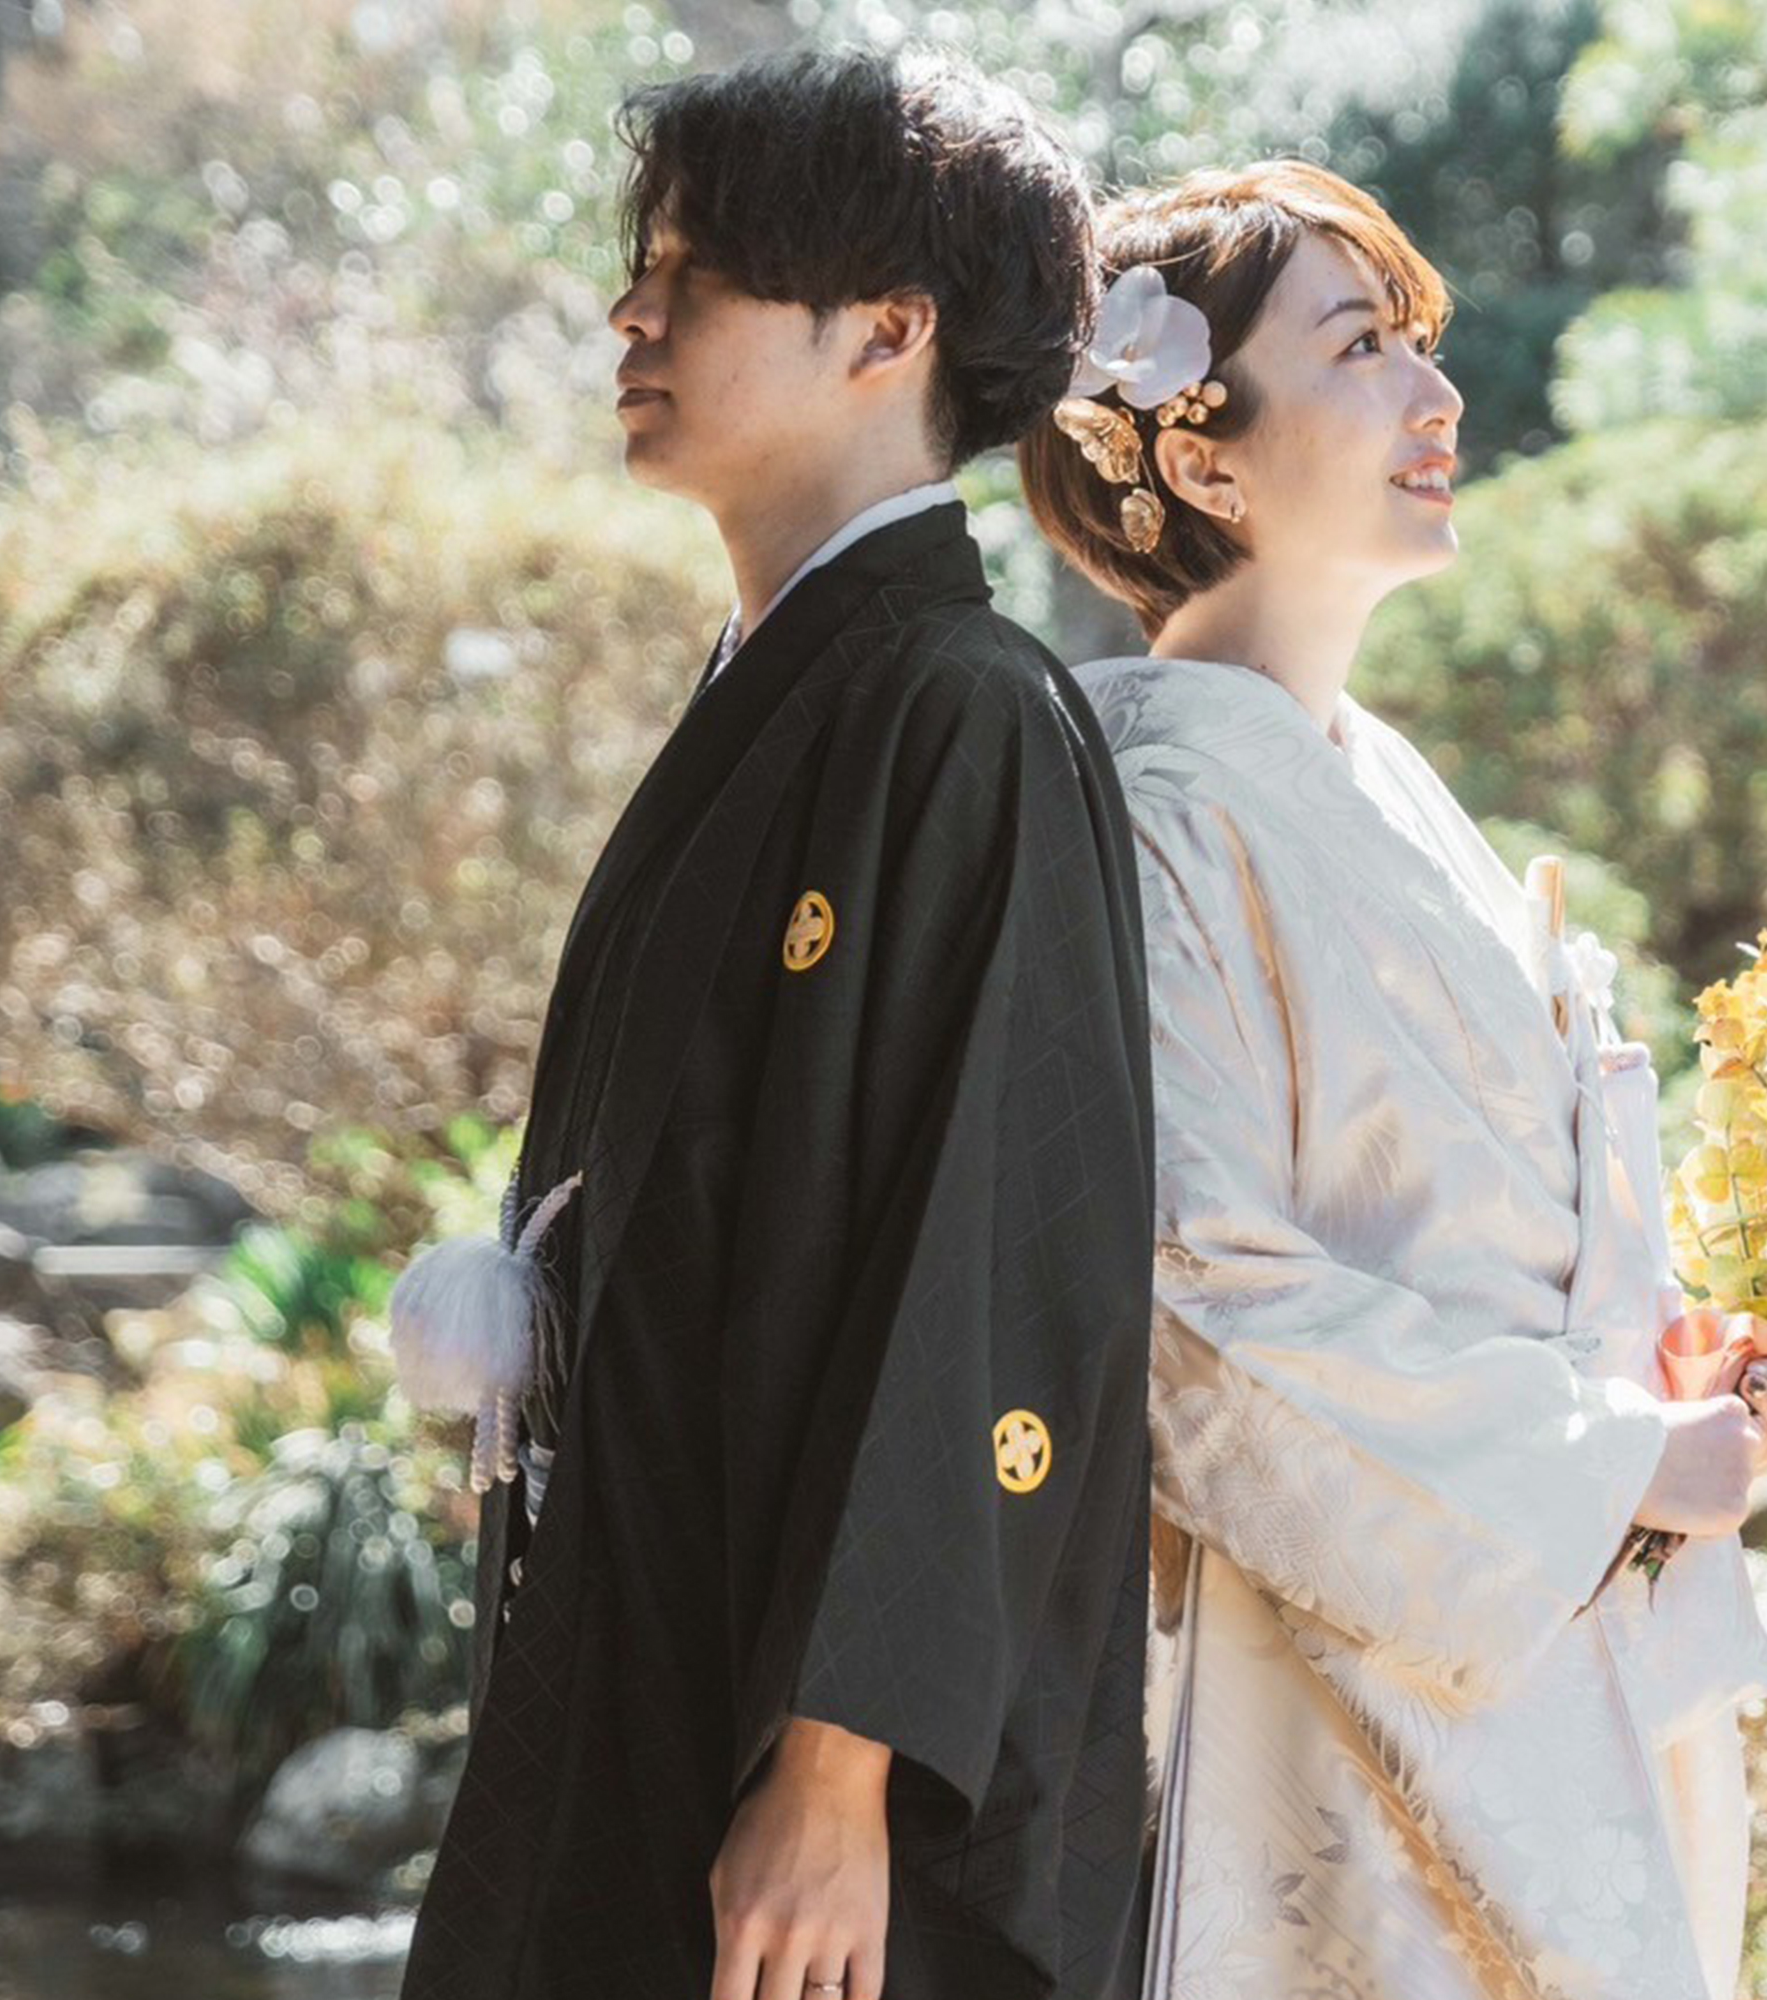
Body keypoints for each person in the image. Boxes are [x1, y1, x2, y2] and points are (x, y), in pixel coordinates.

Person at [394, 47, 1155, 2000]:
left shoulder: (966, 709)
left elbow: (986, 1267)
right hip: (661, 1616)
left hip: (814, 1753)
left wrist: (837, 1769)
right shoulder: (787, 685)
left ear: (887, 332)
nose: (630, 315)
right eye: (642, 265)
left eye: (699, 273)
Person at [1019, 164, 1767, 2000]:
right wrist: (1611, 1460)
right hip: (1341, 1674)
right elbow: (1185, 1300)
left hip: (1546, 1621)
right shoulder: (1158, 812)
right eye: (1363, 348)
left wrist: (1673, 1377)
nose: (1439, 398)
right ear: (1199, 457)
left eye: (1422, 344)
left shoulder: (1368, 775)